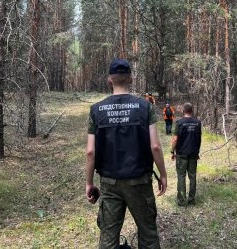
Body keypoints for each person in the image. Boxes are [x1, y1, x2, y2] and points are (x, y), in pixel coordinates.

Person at [85, 58, 167, 249]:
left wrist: (89, 183)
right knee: (148, 234)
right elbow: (155, 146)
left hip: (109, 183)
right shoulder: (144, 107)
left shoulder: (96, 110)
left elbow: (90, 152)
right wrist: (163, 174)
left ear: (109, 80)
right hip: (139, 180)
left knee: (108, 238)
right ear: (130, 78)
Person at [170, 103, 201, 206]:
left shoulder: (179, 122)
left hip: (182, 153)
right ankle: (191, 200)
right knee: (192, 176)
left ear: (183, 111)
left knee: (181, 176)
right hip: (193, 153)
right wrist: (197, 152)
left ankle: (182, 201)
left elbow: (175, 139)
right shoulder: (197, 123)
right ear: (192, 111)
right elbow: (199, 139)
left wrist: (172, 151)